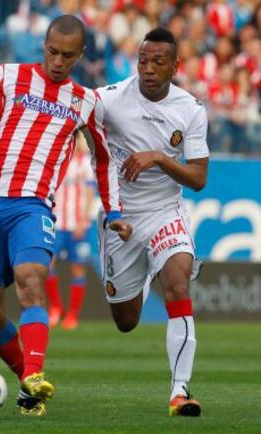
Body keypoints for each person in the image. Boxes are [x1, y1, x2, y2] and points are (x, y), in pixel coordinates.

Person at [0, 15, 132, 417]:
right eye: (52, 52)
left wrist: (114, 209)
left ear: (80, 55)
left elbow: (104, 162)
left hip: (32, 206)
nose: (58, 61)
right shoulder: (8, 76)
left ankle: (35, 373)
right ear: (44, 45)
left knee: (31, 278)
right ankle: (27, 386)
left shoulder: (86, 102)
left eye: (68, 56)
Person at [96, 27, 209, 417]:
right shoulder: (109, 100)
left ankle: (180, 391)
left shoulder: (191, 109)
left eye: (158, 62)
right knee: (126, 320)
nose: (148, 68)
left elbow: (197, 178)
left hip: (165, 211)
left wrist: (159, 157)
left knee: (178, 280)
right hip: (121, 219)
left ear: (175, 66)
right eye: (143, 60)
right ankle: (143, 273)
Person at [46, 133, 95, 330]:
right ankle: (56, 308)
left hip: (77, 224)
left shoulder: (85, 162)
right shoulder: (55, 160)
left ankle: (73, 315)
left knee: (78, 267)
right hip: (56, 223)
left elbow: (91, 192)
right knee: (47, 264)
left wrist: (84, 220)